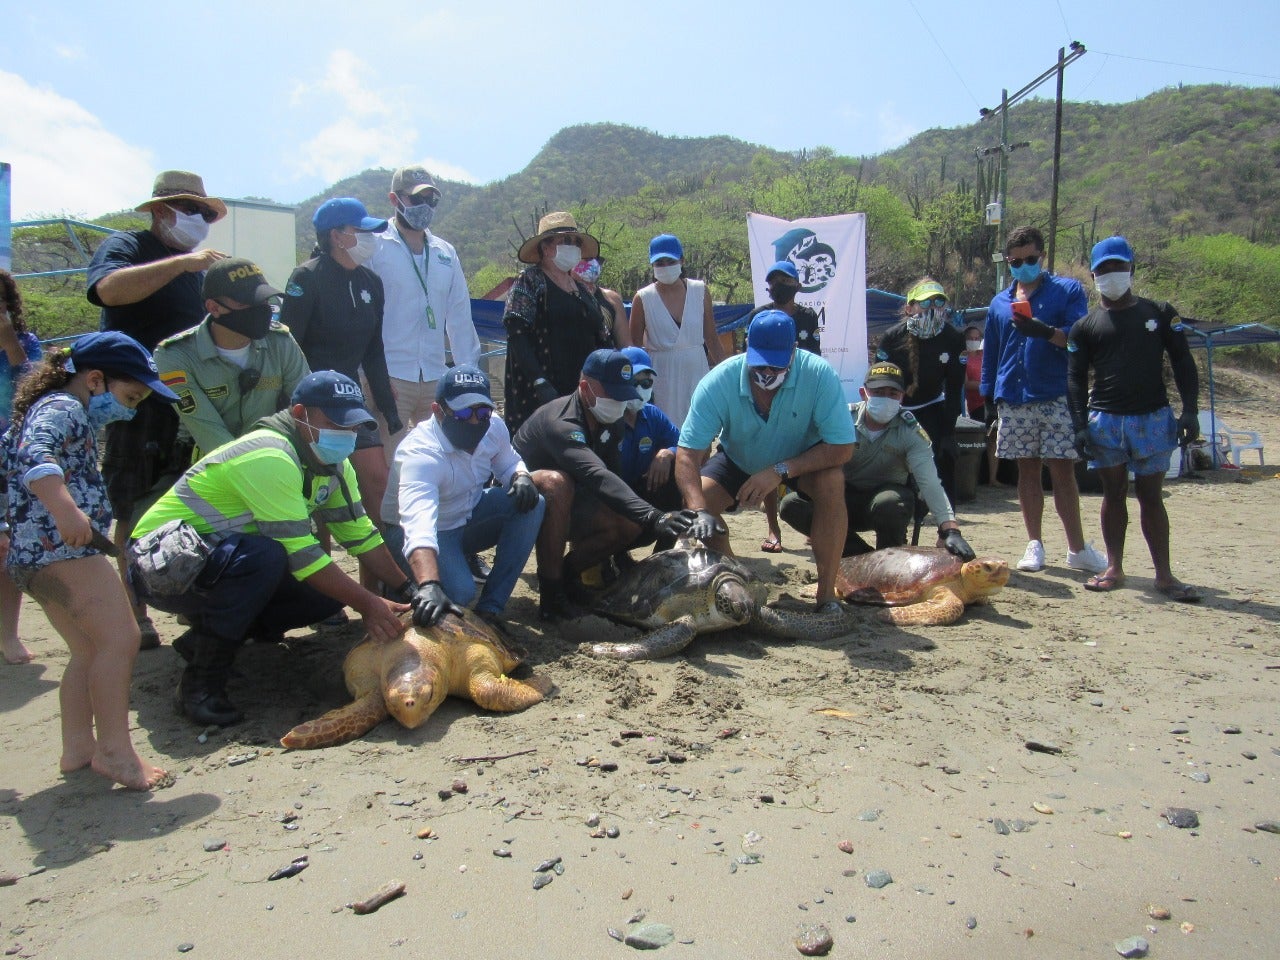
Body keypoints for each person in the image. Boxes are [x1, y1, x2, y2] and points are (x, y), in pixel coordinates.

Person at [128, 371, 413, 727]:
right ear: (299, 413)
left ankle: (205, 639)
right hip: (161, 565)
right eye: (335, 423)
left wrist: (411, 590)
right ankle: (200, 685)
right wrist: (368, 602)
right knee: (265, 558)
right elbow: (303, 554)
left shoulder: (333, 465)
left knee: (325, 597)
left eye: (353, 426)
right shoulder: (269, 454)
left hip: (217, 563)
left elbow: (361, 536)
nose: (346, 435)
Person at [3, 331, 177, 789]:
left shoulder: (44, 408)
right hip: (65, 549)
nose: (132, 408)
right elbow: (34, 456)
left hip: (31, 556)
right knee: (120, 641)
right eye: (130, 396)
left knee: (87, 649)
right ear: (95, 379)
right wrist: (64, 509)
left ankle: (78, 746)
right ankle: (116, 752)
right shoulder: (63, 408)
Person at [85, 170, 228, 648]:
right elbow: (109, 291)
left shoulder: (195, 273)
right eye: (194, 211)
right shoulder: (127, 247)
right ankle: (134, 612)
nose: (203, 221)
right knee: (129, 500)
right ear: (162, 211)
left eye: (207, 214)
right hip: (135, 399)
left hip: (185, 402)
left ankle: (184, 596)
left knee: (186, 501)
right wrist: (182, 264)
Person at [675, 311, 854, 608]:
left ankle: (826, 597)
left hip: (799, 458)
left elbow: (842, 447)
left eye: (776, 364)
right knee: (697, 501)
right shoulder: (719, 381)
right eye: (760, 363)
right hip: (739, 458)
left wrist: (780, 470)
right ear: (746, 349)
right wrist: (698, 510)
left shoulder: (820, 375)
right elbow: (686, 455)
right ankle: (735, 580)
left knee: (832, 481)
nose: (767, 373)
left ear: (794, 352)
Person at [513, 349, 696, 621]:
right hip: (522, 505)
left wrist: (643, 520)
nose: (620, 403)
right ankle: (551, 595)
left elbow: (614, 478)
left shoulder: (611, 419)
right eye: (612, 395)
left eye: (624, 394)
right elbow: (598, 475)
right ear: (585, 388)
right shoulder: (561, 423)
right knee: (557, 483)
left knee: (628, 522)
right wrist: (655, 516)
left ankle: (568, 575)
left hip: (575, 501)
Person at [1068, 236, 1201, 602]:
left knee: (1151, 495)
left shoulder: (1158, 314)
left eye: (1118, 266)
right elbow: (1075, 378)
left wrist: (1189, 409)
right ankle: (1114, 567)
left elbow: (1183, 362)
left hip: (1153, 418)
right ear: (1094, 275)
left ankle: (1164, 574)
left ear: (1131, 269)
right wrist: (1079, 425)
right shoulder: (1086, 326)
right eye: (1104, 269)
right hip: (1106, 420)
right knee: (1113, 494)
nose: (1112, 274)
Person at [979, 225, 1107, 576]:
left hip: (1054, 391)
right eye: (1016, 261)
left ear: (1043, 256)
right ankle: (1034, 543)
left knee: (1063, 470)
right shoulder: (999, 302)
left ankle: (1077, 547)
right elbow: (991, 352)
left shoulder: (1067, 290)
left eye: (1030, 259)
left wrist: (1045, 332)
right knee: (1026, 469)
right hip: (1014, 395)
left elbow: (1078, 341)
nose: (1024, 265)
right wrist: (987, 394)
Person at [383, 365, 544, 631]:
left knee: (533, 503)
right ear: (437, 411)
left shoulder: (492, 427)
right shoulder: (421, 454)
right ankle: (402, 581)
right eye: (463, 412)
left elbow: (508, 461)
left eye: (482, 412)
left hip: (465, 516)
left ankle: (490, 609)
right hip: (419, 533)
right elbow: (418, 525)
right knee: (458, 594)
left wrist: (520, 475)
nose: (474, 421)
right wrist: (429, 584)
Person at [280, 198, 402, 526]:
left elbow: (374, 350)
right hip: (311, 405)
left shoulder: (371, 283)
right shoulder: (306, 277)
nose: (370, 238)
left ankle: (384, 577)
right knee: (316, 501)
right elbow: (287, 345)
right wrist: (298, 406)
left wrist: (390, 412)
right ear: (336, 236)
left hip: (352, 403)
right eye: (361, 230)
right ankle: (318, 574)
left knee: (378, 482)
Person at [778, 362, 975, 560]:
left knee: (890, 503)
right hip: (838, 500)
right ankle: (859, 555)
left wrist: (949, 529)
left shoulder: (911, 432)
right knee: (791, 504)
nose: (886, 398)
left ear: (902, 397)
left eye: (893, 393)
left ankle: (889, 555)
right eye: (878, 392)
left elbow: (930, 482)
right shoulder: (841, 419)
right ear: (864, 393)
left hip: (885, 505)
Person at [368, 166, 481, 463]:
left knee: (443, 461)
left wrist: (467, 373)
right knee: (390, 466)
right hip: (391, 375)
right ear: (395, 199)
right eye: (417, 199)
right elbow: (363, 316)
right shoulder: (374, 245)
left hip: (435, 375)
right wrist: (373, 374)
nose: (425, 208)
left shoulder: (446, 252)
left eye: (431, 201)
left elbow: (459, 316)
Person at [155, 258, 311, 458]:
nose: (261, 309)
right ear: (214, 307)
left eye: (264, 300)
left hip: (274, 456)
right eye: (245, 302)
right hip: (209, 465)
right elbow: (209, 432)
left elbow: (308, 406)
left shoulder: (280, 341)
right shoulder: (175, 355)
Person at [502, 212, 613, 436]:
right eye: (565, 241)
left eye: (575, 242)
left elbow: (602, 336)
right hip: (543, 393)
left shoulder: (582, 290)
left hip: (583, 392)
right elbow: (517, 335)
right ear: (545, 247)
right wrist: (539, 381)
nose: (572, 246)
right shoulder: (530, 281)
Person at [738, 260, 822, 553]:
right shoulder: (757, 316)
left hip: (800, 394)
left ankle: (813, 525)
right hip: (767, 394)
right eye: (774, 281)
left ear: (798, 285)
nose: (779, 287)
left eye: (786, 280)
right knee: (769, 461)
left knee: (809, 459)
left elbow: (815, 358)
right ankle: (774, 530)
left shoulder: (808, 317)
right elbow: (748, 361)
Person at [875, 279, 967, 501]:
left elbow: (955, 389)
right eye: (925, 303)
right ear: (909, 308)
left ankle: (947, 529)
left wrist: (948, 432)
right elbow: (879, 382)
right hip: (896, 408)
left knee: (945, 457)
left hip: (932, 405)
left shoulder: (953, 339)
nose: (933, 308)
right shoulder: (891, 338)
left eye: (938, 302)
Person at [630, 233, 726, 426]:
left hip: (696, 371)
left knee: (701, 429)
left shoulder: (700, 290)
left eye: (670, 261)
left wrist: (729, 375)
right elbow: (633, 346)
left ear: (682, 260)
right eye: (660, 263)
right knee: (666, 432)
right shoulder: (643, 298)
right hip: (662, 376)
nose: (665, 267)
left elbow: (712, 338)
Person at [0, 270, 41, 664]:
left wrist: (10, 344)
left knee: (3, 547)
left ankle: (7, 634)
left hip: (7, 458)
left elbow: (33, 393)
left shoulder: (24, 344)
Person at [616, 346, 681, 512]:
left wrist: (667, 453)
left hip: (644, 491)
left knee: (679, 466)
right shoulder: (607, 416)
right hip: (614, 498)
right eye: (632, 382)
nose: (639, 389)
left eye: (646, 383)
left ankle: (670, 533)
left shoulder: (652, 414)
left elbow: (685, 445)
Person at [962, 322, 1000, 486]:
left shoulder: (985, 356)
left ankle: (993, 478)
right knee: (979, 440)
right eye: (971, 338)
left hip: (991, 402)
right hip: (975, 405)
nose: (974, 341)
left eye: (977, 338)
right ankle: (974, 476)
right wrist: (986, 385)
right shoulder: (962, 358)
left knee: (993, 439)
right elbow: (966, 384)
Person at [573, 256, 630, 348]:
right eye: (586, 259)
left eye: (595, 258)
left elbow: (626, 345)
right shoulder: (562, 295)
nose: (592, 263)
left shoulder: (612, 299)